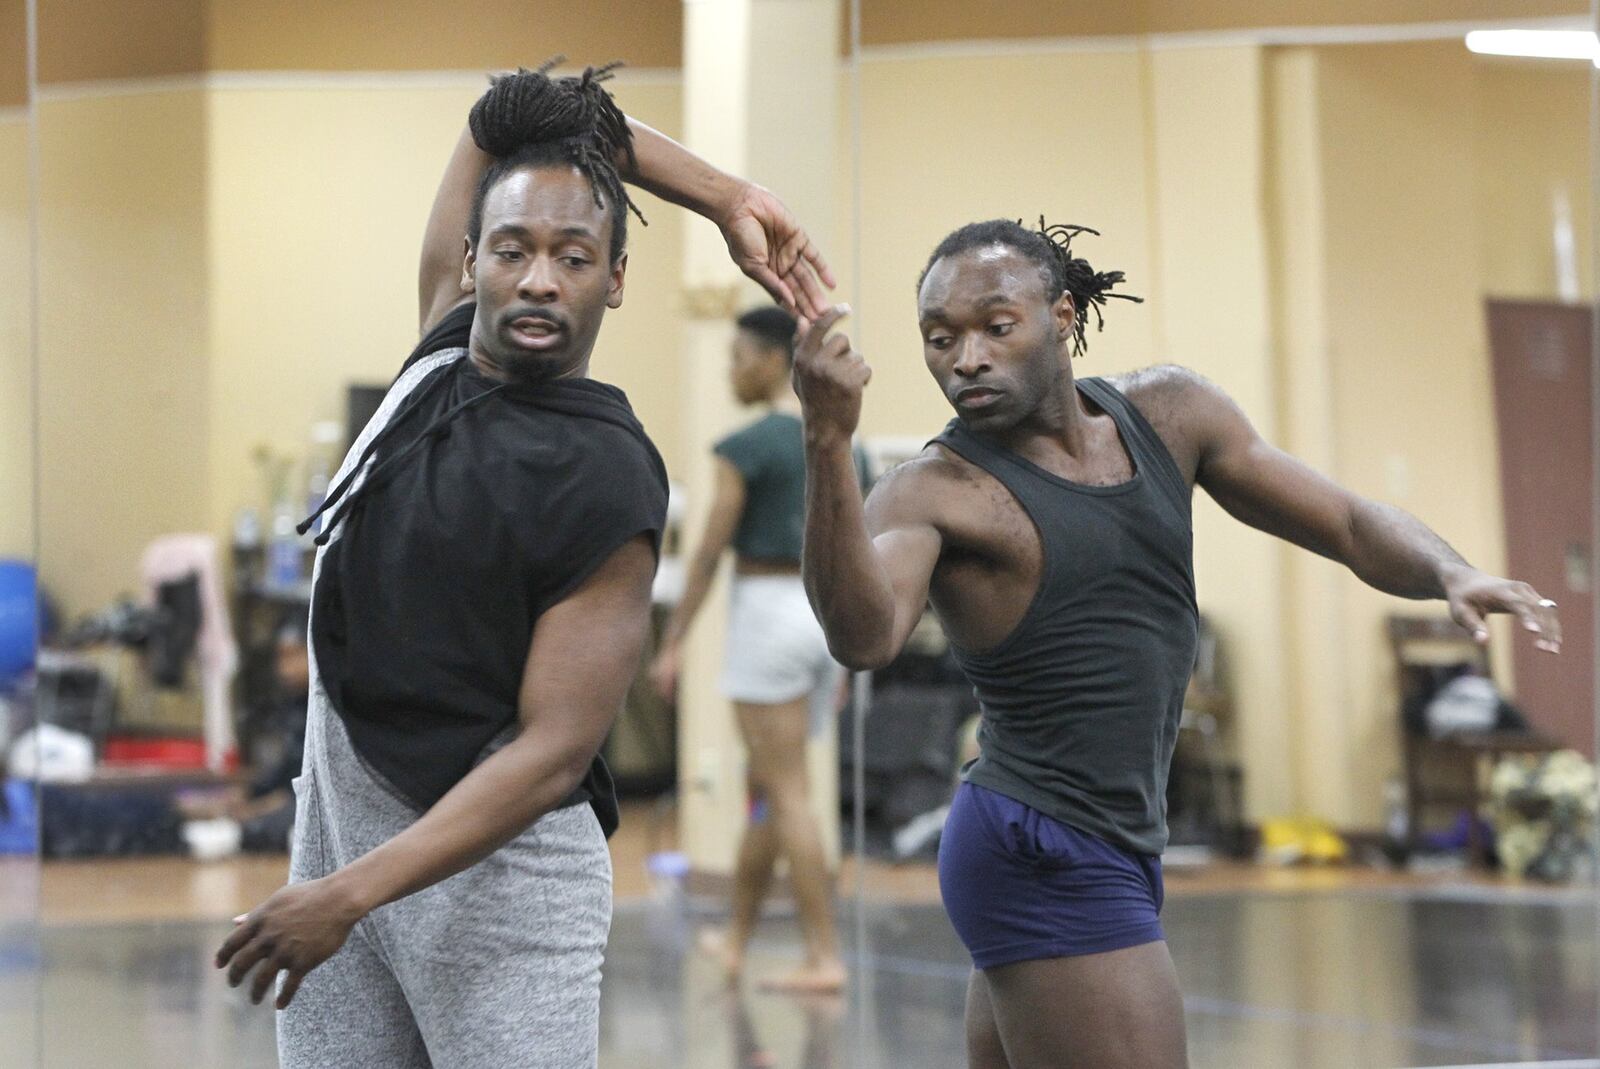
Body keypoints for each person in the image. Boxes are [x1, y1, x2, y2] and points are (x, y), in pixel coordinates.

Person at [791, 217, 1563, 1069]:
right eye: (940, 339)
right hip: (1044, 842)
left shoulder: (1169, 414)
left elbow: (1343, 519)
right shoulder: (934, 491)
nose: (965, 357)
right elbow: (861, 637)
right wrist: (827, 440)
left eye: (995, 327)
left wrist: (1449, 573)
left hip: (1108, 837)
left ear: (1066, 314)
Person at [214, 62, 834, 1069]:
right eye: (515, 249)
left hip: (497, 888)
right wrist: (724, 195)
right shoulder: (433, 356)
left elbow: (549, 753)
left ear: (616, 280)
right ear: (471, 263)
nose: (541, 276)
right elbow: (517, 106)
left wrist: (346, 893)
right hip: (346, 856)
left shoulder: (604, 468)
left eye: (574, 255)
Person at [649, 305, 863, 994]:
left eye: (739, 355)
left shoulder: (741, 448)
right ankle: (737, 939)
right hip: (824, 619)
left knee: (788, 791)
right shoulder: (842, 441)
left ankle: (824, 955)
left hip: (768, 619)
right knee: (766, 789)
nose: (731, 368)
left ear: (774, 361)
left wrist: (673, 640)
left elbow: (708, 553)